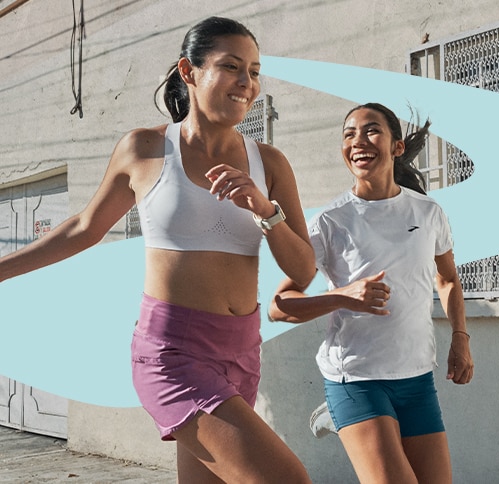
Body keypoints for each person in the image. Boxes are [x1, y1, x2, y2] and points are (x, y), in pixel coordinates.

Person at [0, 17, 315, 483]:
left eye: (253, 70)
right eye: (231, 67)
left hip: (243, 350)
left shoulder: (268, 164)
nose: (246, 83)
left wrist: (265, 211)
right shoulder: (146, 149)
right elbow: (84, 228)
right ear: (189, 72)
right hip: (173, 353)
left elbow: (304, 270)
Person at [269, 103, 474, 484]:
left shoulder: (428, 213)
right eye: (349, 134)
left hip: (415, 378)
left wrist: (460, 337)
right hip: (357, 379)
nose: (358, 141)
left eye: (371, 131)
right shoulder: (331, 222)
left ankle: (340, 418)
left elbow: (446, 280)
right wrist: (344, 296)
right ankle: (343, 412)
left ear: (397, 147)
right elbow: (279, 306)